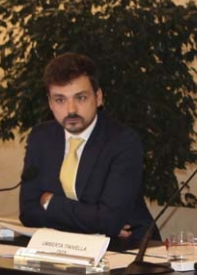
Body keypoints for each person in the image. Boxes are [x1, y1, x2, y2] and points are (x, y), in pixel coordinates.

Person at [19, 53, 155, 245]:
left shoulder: (122, 141)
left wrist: (50, 201)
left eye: (81, 98)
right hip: (64, 246)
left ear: (98, 97)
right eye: (60, 100)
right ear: (50, 103)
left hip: (127, 250)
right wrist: (94, 223)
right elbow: (28, 212)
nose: (71, 110)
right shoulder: (41, 138)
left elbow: (109, 220)